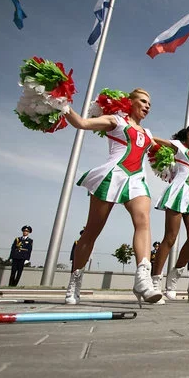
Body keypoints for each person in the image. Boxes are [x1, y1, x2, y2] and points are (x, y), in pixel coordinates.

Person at [63, 89, 162, 305]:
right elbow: (81, 123)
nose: (147, 106)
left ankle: (143, 278)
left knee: (143, 221)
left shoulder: (147, 132)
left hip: (137, 179)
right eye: (143, 101)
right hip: (112, 176)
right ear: (130, 101)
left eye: (149, 104)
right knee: (92, 232)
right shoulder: (115, 120)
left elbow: (162, 149)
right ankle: (75, 280)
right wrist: (61, 102)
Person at [151, 122, 189, 301]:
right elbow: (154, 141)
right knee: (170, 237)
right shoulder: (179, 147)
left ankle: (174, 277)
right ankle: (155, 280)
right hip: (178, 193)